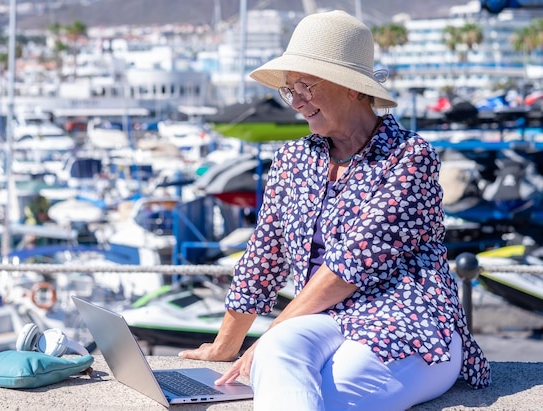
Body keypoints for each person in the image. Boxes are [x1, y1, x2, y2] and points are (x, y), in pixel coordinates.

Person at [178, 10, 491, 410]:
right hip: (321, 320)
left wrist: (269, 335)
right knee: (276, 355)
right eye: (290, 90)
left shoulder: (409, 157)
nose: (297, 102)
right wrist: (226, 346)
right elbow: (263, 256)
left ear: (354, 89)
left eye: (306, 86)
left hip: (409, 321)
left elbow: (352, 263)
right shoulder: (294, 158)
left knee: (333, 385)